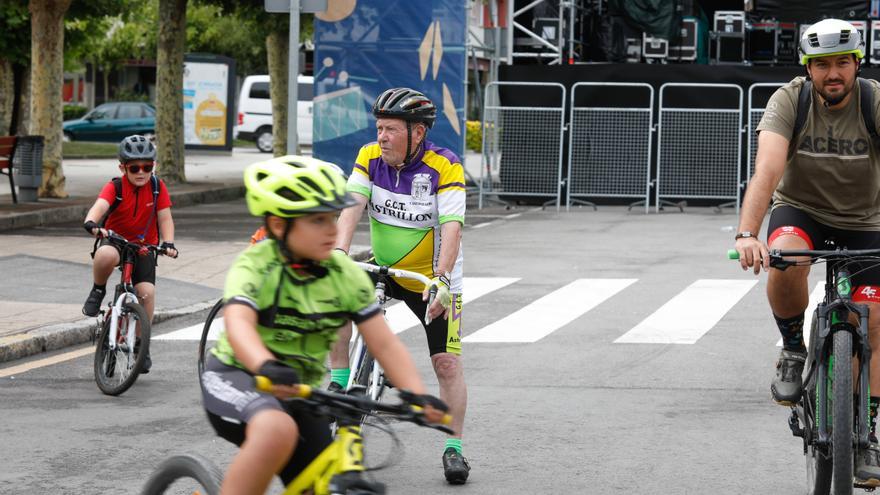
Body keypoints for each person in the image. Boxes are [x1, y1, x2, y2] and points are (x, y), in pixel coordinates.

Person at [200, 155, 448, 494]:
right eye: (317, 220)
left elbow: (385, 344)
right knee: (277, 429)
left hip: (301, 393)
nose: (332, 230)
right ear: (277, 225)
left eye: (333, 217)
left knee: (320, 480)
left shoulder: (344, 275)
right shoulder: (257, 265)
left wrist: (417, 395)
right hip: (238, 377)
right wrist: (265, 365)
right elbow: (239, 324)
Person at [734, 18, 880, 484]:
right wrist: (747, 233)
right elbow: (768, 169)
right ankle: (794, 347)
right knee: (787, 258)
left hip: (868, 221)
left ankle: (867, 434)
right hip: (803, 211)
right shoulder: (789, 100)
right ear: (808, 67)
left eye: (842, 63)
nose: (832, 73)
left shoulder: (875, 101)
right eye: (822, 65)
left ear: (857, 64)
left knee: (876, 320)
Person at [331, 87, 471, 484]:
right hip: (385, 267)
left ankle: (454, 449)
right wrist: (340, 253)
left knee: (446, 363)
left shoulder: (445, 166)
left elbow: (451, 228)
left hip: (430, 277)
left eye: (391, 129)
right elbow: (352, 207)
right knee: (338, 296)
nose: (382, 136)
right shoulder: (368, 158)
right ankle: (340, 382)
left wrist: (442, 280)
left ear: (417, 133)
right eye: (379, 127)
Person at [82, 134, 178, 373]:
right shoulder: (115, 186)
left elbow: (164, 217)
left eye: (147, 166)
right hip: (115, 239)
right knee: (106, 256)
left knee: (146, 293)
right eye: (134, 167)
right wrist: (92, 222)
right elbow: (100, 206)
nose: (141, 172)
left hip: (144, 246)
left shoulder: (158, 187)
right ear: (122, 167)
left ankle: (139, 345)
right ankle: (98, 289)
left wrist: (168, 243)